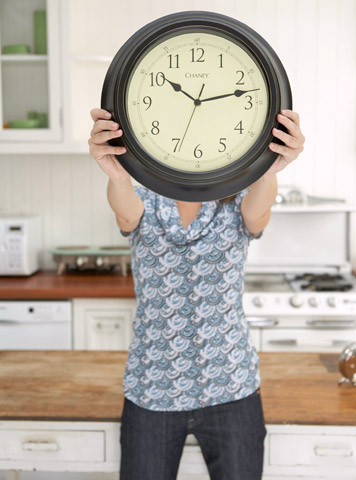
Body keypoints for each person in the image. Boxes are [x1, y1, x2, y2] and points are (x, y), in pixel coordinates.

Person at [88, 107, 305, 480]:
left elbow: (260, 210)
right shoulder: (144, 200)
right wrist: (115, 172)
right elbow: (125, 213)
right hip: (151, 389)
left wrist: (270, 166)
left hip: (231, 389)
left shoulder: (237, 203)